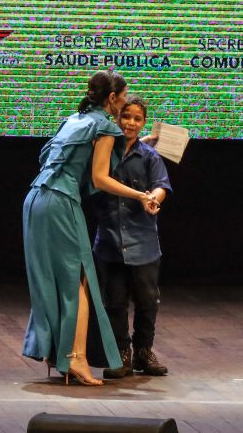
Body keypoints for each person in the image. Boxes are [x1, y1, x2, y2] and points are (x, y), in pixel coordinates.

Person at [21, 71, 159, 386]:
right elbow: (99, 178)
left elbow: (50, 156)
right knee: (78, 279)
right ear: (111, 99)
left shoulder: (73, 120)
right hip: (60, 202)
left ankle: (58, 353)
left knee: (50, 278)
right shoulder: (104, 125)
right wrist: (140, 194)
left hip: (35, 198)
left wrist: (136, 144)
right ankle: (76, 359)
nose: (124, 106)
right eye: (123, 99)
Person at [92, 95, 172, 378]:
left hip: (144, 242)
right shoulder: (104, 151)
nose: (130, 123)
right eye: (126, 117)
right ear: (117, 117)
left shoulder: (149, 156)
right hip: (110, 241)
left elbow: (161, 185)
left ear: (143, 123)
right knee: (114, 300)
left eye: (137, 119)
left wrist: (153, 198)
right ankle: (121, 353)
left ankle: (143, 351)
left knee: (148, 300)